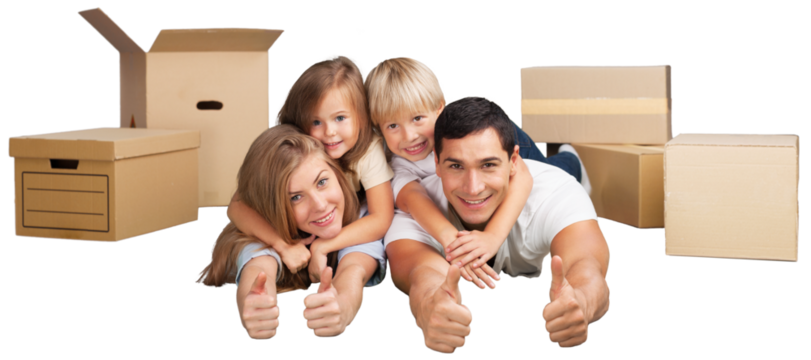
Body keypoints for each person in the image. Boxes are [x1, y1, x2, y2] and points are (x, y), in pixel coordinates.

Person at [386, 96, 611, 353]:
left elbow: (588, 266)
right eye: (456, 166)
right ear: (436, 162)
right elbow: (420, 274)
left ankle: (569, 153)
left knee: (566, 166)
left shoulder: (556, 190)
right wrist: (429, 307)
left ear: (514, 162)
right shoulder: (414, 211)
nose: (473, 188)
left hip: (552, 168)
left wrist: (581, 300)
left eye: (488, 165)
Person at [364, 55, 591, 291]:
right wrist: (452, 240)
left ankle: (571, 158)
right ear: (378, 129)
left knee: (553, 172)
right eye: (393, 126)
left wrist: (492, 237)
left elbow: (523, 176)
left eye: (418, 118)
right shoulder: (398, 164)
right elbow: (414, 199)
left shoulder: (475, 137)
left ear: (439, 110)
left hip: (507, 142)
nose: (409, 135)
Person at [227, 54, 393, 296]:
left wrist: (323, 247)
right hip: (303, 219)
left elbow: (381, 218)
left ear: (361, 117)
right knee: (254, 242)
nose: (329, 133)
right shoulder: (295, 146)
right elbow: (237, 206)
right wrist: (283, 246)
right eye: (316, 121)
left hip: (344, 218)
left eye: (340, 118)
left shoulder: (368, 151)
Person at [194, 124, 375, 340]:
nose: (319, 205)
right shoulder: (263, 232)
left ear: (338, 174)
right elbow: (258, 267)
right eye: (296, 197)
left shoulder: (363, 220)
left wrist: (343, 308)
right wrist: (255, 306)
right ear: (273, 209)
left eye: (322, 182)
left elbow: (354, 271)